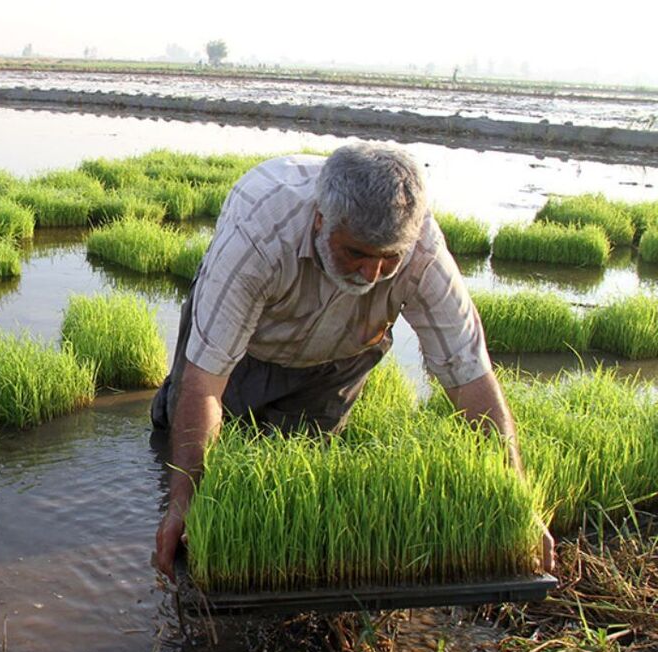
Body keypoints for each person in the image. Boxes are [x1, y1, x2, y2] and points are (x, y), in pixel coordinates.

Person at [150, 143, 555, 582]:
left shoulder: (422, 254)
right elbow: (205, 384)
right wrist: (182, 504)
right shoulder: (260, 236)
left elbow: (470, 377)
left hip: (339, 357)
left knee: (290, 472)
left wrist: (519, 506)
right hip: (248, 344)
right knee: (185, 429)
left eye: (389, 260)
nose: (371, 275)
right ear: (322, 221)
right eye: (356, 254)